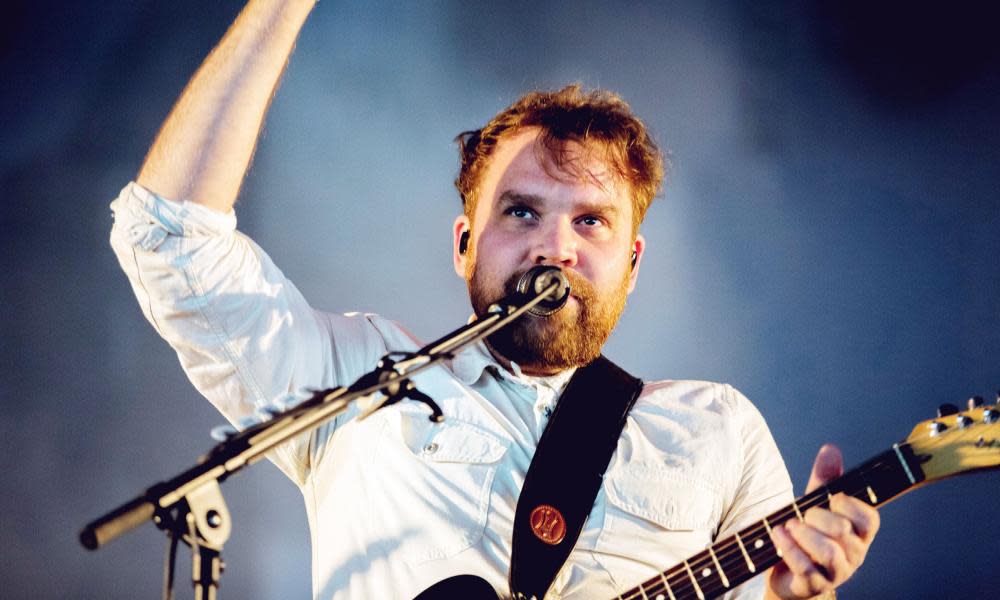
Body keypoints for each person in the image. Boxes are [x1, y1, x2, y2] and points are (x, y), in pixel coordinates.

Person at [108, 1, 880, 598]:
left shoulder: (717, 429)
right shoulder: (358, 381)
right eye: (520, 211)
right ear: (463, 243)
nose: (555, 246)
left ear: (632, 263)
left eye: (591, 221)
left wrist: (798, 591)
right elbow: (170, 239)